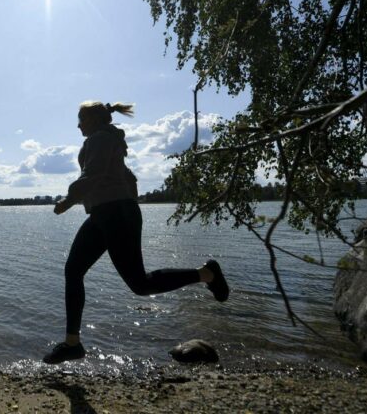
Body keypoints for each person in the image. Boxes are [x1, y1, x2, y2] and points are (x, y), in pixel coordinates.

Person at [42, 101, 229, 364]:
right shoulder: (108, 141)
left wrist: (68, 200)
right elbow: (128, 177)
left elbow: (92, 176)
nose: (78, 125)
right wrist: (129, 201)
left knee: (141, 284)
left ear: (94, 120)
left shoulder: (100, 139)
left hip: (116, 213)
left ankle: (207, 273)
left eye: (81, 119)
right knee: (73, 270)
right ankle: (72, 344)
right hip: (105, 214)